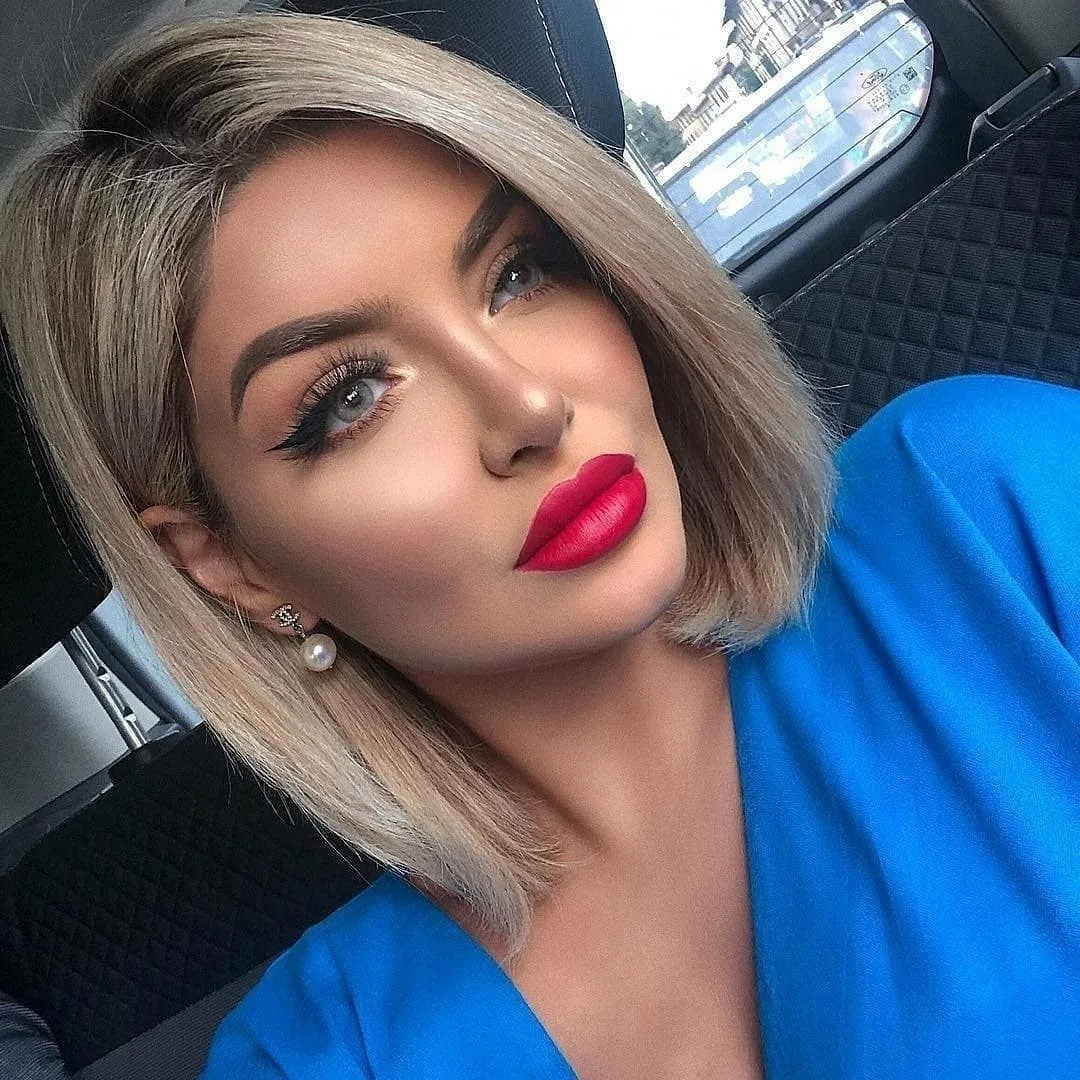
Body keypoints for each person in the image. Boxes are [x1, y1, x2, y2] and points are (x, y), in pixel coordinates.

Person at [0, 11, 1077, 1080]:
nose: (528, 405)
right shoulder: (318, 1057)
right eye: (350, 396)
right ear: (230, 565)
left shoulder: (982, 511)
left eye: (518, 274)